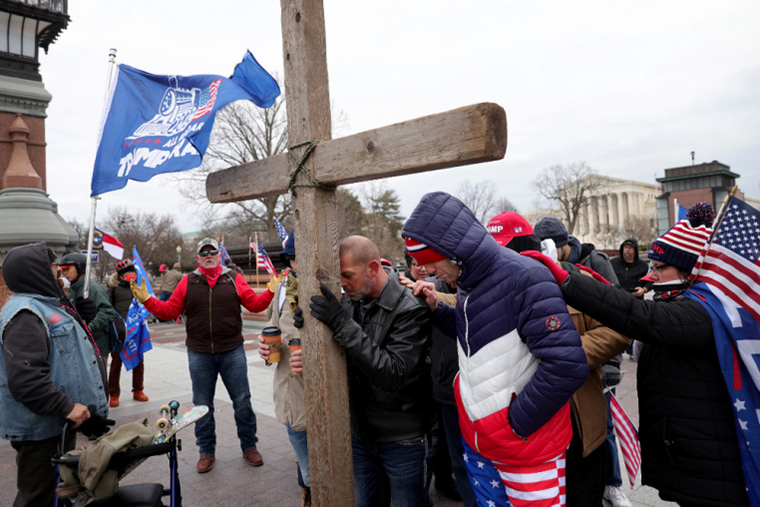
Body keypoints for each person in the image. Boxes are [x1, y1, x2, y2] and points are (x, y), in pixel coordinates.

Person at [523, 203, 751, 506]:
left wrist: (566, 279)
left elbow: (639, 316)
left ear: (690, 270)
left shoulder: (702, 312)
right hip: (693, 458)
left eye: (660, 268)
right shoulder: (688, 303)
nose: (651, 276)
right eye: (652, 266)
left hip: (711, 468)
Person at [402, 192, 588, 507]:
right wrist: (438, 309)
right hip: (483, 443)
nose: (431, 273)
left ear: (453, 253)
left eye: (432, 264)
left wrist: (513, 424)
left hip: (527, 450)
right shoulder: (469, 281)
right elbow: (478, 334)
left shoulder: (526, 278)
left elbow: (567, 366)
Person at [487, 211, 630, 507]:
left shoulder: (575, 280)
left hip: (579, 427)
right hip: (525, 430)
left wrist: (567, 354)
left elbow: (620, 327)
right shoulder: (488, 292)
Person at [130, 237, 278, 473]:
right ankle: (206, 451)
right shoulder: (188, 281)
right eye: (204, 253)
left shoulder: (234, 278)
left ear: (219, 256)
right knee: (202, 405)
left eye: (213, 252)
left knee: (242, 402)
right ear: (198, 258)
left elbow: (254, 304)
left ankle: (249, 446)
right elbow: (169, 311)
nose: (209, 255)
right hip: (200, 354)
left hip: (232, 351)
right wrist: (147, 300)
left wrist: (270, 291)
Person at [308, 235, 436, 507]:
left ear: (373, 269)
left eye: (347, 275)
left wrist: (342, 324)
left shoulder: (411, 308)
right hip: (361, 434)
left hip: (402, 437)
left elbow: (393, 373)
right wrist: (311, 324)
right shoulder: (354, 299)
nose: (342, 283)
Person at [0, 242, 110, 507]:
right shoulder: (25, 314)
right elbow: (27, 380)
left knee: (59, 494)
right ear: (35, 271)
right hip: (39, 430)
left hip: (58, 423)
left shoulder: (44, 304)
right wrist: (66, 407)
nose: (58, 272)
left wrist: (79, 314)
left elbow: (63, 356)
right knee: (37, 497)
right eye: (52, 266)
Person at [399, 248, 473, 506]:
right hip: (433, 381)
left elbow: (458, 304)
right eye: (416, 264)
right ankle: (437, 484)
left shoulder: (447, 286)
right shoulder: (409, 292)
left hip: (462, 381)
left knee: (457, 449)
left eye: (428, 264)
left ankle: (445, 481)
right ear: (408, 268)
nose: (424, 269)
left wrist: (432, 297)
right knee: (439, 443)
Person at [256, 232, 311, 507]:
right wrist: (265, 351)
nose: (298, 263)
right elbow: (272, 331)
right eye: (293, 257)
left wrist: (313, 358)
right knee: (307, 468)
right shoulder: (281, 289)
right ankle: (309, 494)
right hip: (290, 397)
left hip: (323, 399)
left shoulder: (336, 287)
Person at [106, 259, 149, 408]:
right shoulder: (114, 289)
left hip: (136, 332)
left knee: (139, 361)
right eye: (126, 273)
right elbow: (107, 309)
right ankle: (114, 394)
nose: (130, 275)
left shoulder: (139, 288)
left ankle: (138, 390)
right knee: (116, 363)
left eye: (132, 272)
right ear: (121, 275)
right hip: (120, 331)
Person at [534, 216, 620, 288]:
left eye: (551, 248)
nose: (548, 254)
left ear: (562, 244)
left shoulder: (596, 261)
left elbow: (617, 295)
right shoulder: (549, 266)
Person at [60, 252, 115, 361]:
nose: (64, 273)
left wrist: (91, 325)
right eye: (62, 270)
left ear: (80, 268)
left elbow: (108, 312)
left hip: (97, 345)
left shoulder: (94, 289)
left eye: (68, 269)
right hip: (77, 345)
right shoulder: (67, 290)